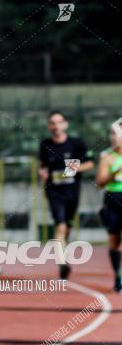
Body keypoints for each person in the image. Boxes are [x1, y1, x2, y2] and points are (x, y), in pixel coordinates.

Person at [38, 111, 94, 280]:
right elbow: (42, 166)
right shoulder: (45, 144)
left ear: (65, 124)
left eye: (59, 122)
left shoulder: (76, 144)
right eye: (52, 123)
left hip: (72, 191)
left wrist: (73, 170)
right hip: (54, 191)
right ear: (49, 126)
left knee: (67, 226)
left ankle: (64, 256)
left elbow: (90, 163)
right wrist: (43, 173)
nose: (56, 126)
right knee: (60, 225)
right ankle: (61, 262)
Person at [96, 123, 122, 293]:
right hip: (113, 199)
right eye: (112, 133)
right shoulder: (107, 156)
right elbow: (99, 182)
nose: (113, 137)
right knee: (114, 241)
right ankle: (117, 277)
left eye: (117, 134)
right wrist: (115, 173)